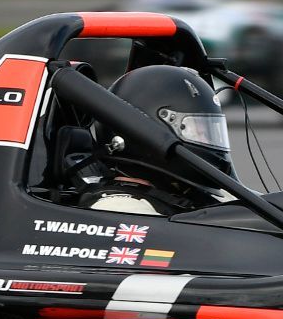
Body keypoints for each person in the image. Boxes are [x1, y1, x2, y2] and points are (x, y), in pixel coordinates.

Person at [82, 65, 233, 217]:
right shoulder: (118, 207)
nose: (207, 139)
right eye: (198, 131)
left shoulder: (194, 192)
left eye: (209, 132)